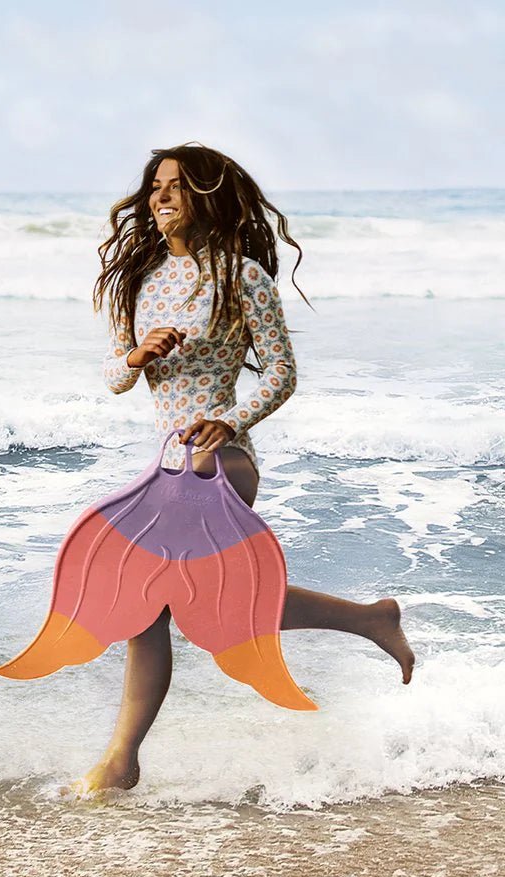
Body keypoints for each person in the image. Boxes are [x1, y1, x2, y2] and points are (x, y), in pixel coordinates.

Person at [77, 143, 415, 795]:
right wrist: (139, 355)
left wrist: (232, 420)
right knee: (219, 611)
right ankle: (371, 620)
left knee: (148, 605)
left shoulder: (239, 277)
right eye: (155, 186)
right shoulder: (140, 281)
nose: (161, 196)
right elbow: (114, 376)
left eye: (176, 186)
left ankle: (120, 763)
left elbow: (283, 372)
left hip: (221, 458)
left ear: (207, 196)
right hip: (167, 464)